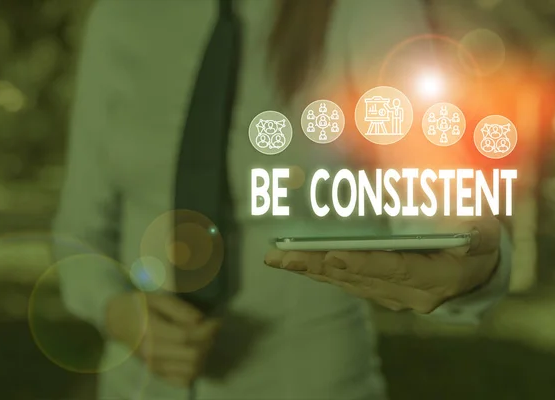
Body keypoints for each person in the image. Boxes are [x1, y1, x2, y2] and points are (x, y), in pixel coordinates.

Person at [53, 1, 512, 399]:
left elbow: (440, 198)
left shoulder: (362, 10)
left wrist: (472, 260)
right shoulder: (119, 18)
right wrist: (117, 311)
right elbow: (79, 234)